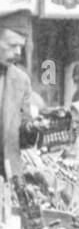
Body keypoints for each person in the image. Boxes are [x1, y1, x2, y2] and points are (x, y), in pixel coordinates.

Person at [0, 12, 34, 195]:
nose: (18, 53)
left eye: (21, 47)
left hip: (8, 176)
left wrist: (35, 130)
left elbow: (24, 132)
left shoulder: (21, 80)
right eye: (12, 45)